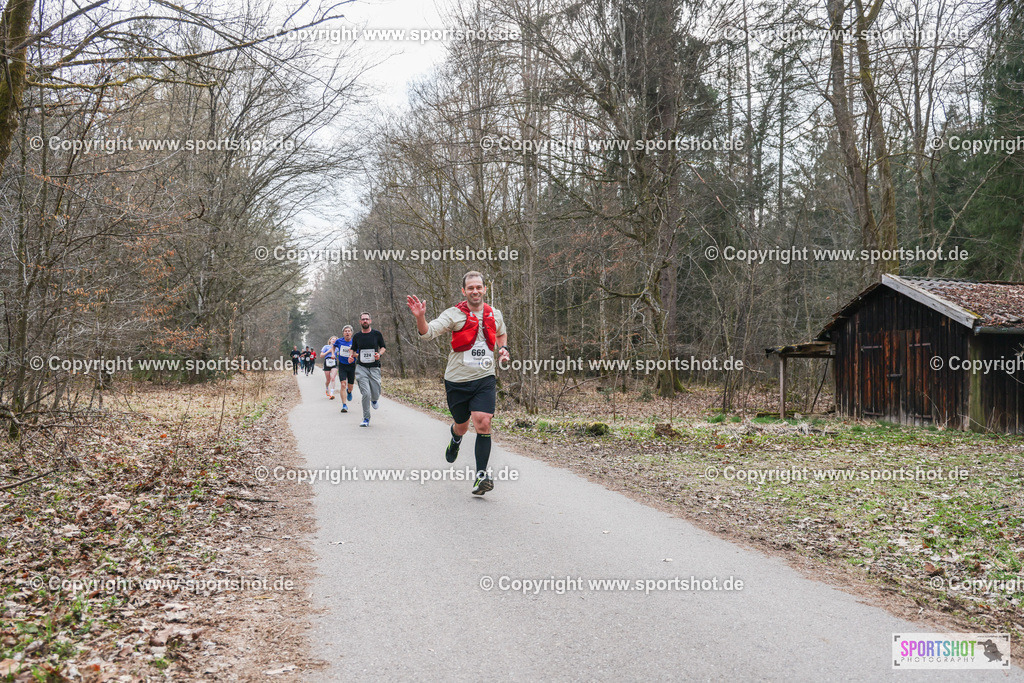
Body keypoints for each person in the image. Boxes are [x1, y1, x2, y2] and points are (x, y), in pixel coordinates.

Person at [406, 271, 509, 495]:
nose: (475, 291)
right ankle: (455, 438)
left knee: (483, 422)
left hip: (485, 378)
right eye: (470, 288)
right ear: (464, 291)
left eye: (478, 287)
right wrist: (419, 317)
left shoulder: (494, 314)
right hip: (457, 381)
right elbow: (427, 333)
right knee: (462, 426)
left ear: (484, 289)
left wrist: (503, 350)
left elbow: (501, 335)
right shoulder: (454, 314)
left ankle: (481, 476)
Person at [349, 313, 386, 427]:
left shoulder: (376, 334)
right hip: (361, 368)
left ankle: (374, 400)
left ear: (370, 321)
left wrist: (379, 354)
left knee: (375, 392)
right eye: (363, 319)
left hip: (374, 367)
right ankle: (366, 418)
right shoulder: (356, 336)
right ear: (360, 322)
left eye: (366, 319)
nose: (365, 321)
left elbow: (383, 347)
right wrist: (351, 356)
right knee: (366, 393)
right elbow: (352, 349)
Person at [334, 326, 355, 413]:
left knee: (350, 387)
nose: (347, 332)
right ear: (343, 333)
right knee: (343, 384)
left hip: (351, 365)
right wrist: (333, 354)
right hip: (342, 365)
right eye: (345, 331)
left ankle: (349, 392)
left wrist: (353, 354)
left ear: (351, 333)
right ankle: (344, 405)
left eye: (349, 331)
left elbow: (358, 352)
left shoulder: (355, 341)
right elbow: (333, 346)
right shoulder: (339, 341)